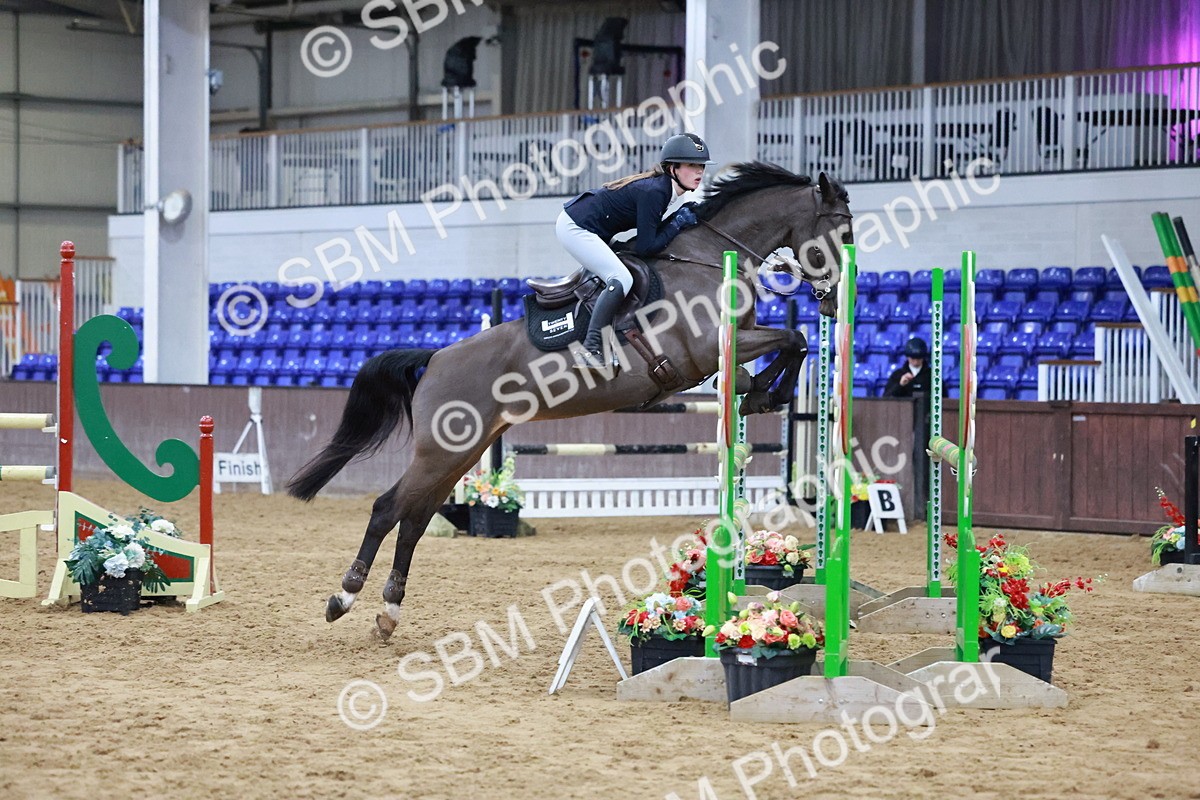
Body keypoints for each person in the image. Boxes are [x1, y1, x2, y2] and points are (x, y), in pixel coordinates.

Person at [556, 132, 713, 369]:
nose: (699, 171)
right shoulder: (656, 192)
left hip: (593, 228)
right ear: (673, 169)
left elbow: (650, 236)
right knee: (621, 278)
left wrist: (675, 221)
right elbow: (646, 247)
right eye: (692, 165)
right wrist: (677, 223)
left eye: (701, 166)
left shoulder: (663, 190)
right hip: (576, 227)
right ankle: (591, 348)